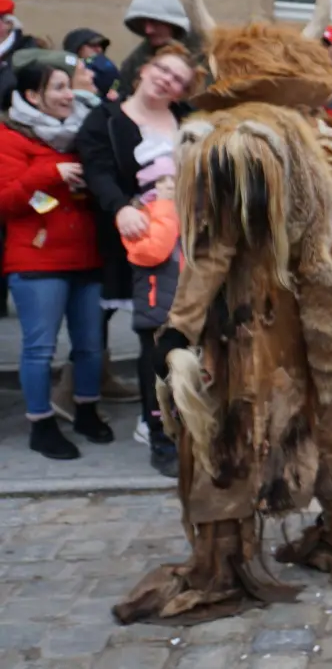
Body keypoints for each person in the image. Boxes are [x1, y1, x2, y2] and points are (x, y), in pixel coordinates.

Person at [114, 0, 332, 626]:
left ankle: (224, 565)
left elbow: (215, 249)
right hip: (323, 313)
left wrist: (179, 330)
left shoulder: (234, 143)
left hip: (254, 321)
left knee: (234, 436)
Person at [77, 46, 197, 439]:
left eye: (177, 78)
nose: (166, 79)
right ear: (145, 69)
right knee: (155, 337)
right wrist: (120, 208)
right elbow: (99, 172)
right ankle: (156, 425)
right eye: (163, 69)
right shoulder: (105, 120)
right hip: (143, 241)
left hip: (193, 241)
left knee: (194, 334)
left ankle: (187, 416)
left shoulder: (188, 121)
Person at [0, 52, 112, 461]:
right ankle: (41, 423)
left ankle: (86, 409)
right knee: (39, 349)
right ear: (32, 94)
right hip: (37, 261)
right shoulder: (10, 136)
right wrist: (51, 173)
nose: (69, 95)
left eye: (69, 85)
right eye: (59, 88)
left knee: (89, 346)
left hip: (87, 255)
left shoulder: (85, 129)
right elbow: (5, 201)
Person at [119, 141, 183, 477]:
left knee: (185, 379)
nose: (170, 187)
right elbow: (153, 252)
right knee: (157, 381)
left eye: (175, 180)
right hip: (155, 313)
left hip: (187, 311)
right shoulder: (141, 219)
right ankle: (160, 439)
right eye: (162, 182)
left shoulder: (185, 215)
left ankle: (185, 435)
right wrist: (166, 209)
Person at [116, 0, 201, 98]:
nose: (148, 30)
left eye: (154, 22)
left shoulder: (203, 52)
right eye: (143, 23)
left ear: (172, 22)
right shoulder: (133, 62)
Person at [62, 28, 121, 100]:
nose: (99, 49)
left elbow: (117, 80)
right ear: (77, 47)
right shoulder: (63, 71)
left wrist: (114, 90)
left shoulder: (104, 64)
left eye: (101, 46)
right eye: (93, 45)